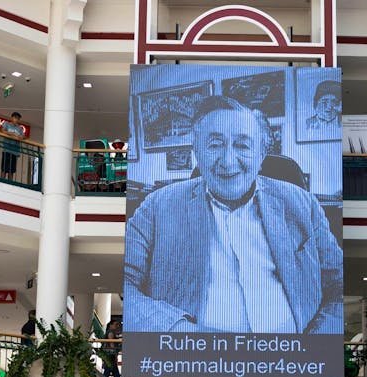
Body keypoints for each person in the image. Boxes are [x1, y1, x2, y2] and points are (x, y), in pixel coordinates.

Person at [124, 95, 343, 334]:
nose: (228, 162)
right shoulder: (156, 207)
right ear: (197, 152)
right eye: (215, 145)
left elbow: (340, 286)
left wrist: (314, 342)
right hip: (191, 354)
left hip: (292, 355)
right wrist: (178, 330)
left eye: (243, 145)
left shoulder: (304, 205)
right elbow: (125, 282)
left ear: (261, 155)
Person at [0, 112, 25, 180]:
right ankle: (1, 182)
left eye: (18, 119)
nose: (16, 120)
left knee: (11, 170)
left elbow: (23, 137)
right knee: (4, 169)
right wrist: (13, 134)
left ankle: (10, 183)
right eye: (15, 118)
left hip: (15, 151)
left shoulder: (20, 128)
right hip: (7, 149)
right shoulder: (6, 124)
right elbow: (3, 131)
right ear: (12, 117)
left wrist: (19, 137)